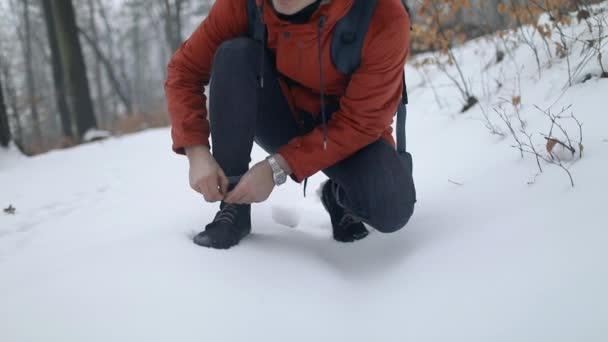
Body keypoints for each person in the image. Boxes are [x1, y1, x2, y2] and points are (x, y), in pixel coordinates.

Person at [164, 0, 416, 249]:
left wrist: (277, 167)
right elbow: (184, 71)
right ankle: (234, 205)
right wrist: (195, 149)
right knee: (234, 55)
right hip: (282, 114)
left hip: (349, 134)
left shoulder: (382, 15)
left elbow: (361, 123)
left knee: (391, 206)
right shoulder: (243, 4)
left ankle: (338, 195)